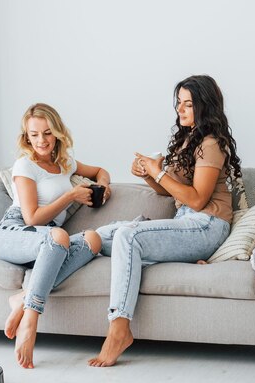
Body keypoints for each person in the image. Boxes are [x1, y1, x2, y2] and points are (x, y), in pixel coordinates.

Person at [88, 75, 242, 367]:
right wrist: (149, 173)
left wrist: (158, 173)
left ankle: (119, 328)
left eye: (188, 105)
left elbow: (197, 200)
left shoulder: (211, 144)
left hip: (206, 225)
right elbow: (170, 192)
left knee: (128, 236)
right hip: (187, 222)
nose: (180, 111)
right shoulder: (189, 139)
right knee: (99, 235)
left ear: (204, 107)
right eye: (178, 104)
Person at [0, 103, 111, 369]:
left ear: (57, 133)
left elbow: (99, 171)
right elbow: (32, 217)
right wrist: (70, 195)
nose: (41, 141)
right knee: (58, 236)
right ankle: (31, 320)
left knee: (93, 239)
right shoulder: (25, 165)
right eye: (34, 135)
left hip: (49, 240)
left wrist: (103, 186)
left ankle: (22, 298)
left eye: (47, 133)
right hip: (14, 232)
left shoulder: (65, 163)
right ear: (26, 137)